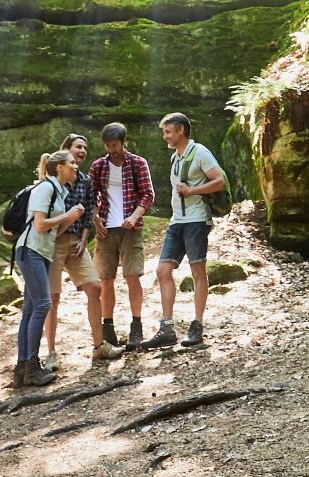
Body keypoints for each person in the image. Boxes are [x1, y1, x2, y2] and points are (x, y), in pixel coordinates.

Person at [134, 112, 224, 350]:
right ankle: (167, 328)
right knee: (163, 270)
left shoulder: (200, 153)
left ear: (180, 131)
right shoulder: (175, 157)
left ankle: (197, 324)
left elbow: (220, 180)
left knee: (197, 271)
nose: (165, 136)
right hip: (177, 222)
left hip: (196, 221)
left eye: (168, 132)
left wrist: (193, 191)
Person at [43, 134, 120, 366]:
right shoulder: (51, 184)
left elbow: (88, 213)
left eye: (85, 148)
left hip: (76, 242)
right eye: (78, 147)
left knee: (94, 287)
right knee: (52, 299)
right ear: (65, 151)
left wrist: (84, 239)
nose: (83, 152)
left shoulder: (85, 181)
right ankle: (51, 354)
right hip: (53, 244)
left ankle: (99, 346)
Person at [13, 149, 84, 387]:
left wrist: (70, 219)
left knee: (30, 309)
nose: (76, 166)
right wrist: (67, 216)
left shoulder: (60, 192)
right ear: (60, 168)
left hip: (40, 252)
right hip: (30, 251)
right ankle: (31, 366)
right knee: (43, 304)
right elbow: (40, 225)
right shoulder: (46, 188)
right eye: (72, 163)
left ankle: (22, 368)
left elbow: (52, 232)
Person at [89, 122, 154, 350]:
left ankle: (136, 327)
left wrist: (135, 216)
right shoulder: (98, 166)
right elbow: (91, 195)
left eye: (114, 145)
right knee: (106, 279)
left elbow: (147, 194)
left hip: (130, 229)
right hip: (106, 230)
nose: (110, 149)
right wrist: (95, 218)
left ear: (123, 142)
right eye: (107, 145)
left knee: (132, 276)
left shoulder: (137, 163)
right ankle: (108, 328)